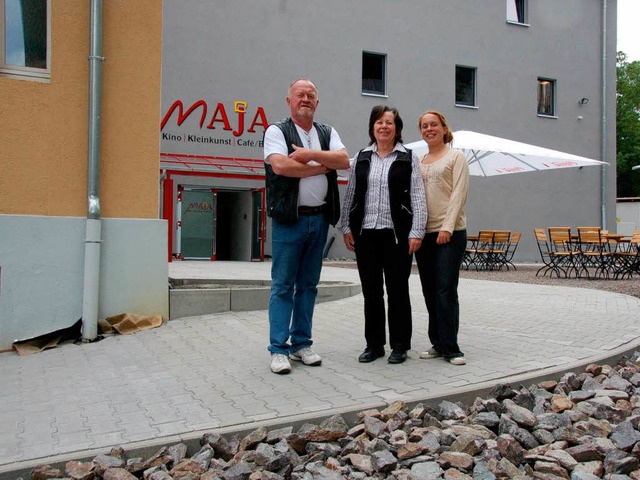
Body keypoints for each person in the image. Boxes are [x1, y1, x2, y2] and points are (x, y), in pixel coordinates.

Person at [263, 78, 349, 374]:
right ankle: (278, 348)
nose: (306, 98)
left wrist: (310, 155)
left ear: (317, 102)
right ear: (289, 101)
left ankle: (301, 344)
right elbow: (280, 166)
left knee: (309, 286)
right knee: (283, 285)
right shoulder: (277, 131)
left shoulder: (327, 131)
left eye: (311, 95)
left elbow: (343, 160)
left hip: (320, 218)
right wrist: (323, 167)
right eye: (300, 94)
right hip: (290, 220)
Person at [341, 105, 427, 364]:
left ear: (397, 128)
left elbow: (417, 195)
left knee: (398, 290)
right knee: (371, 292)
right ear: (372, 127)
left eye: (389, 122)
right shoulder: (362, 157)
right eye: (379, 122)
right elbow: (352, 193)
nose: (384, 126)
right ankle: (374, 345)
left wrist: (417, 231)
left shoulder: (408, 157)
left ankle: (400, 345)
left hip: (396, 235)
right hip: (366, 233)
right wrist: (346, 226)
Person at [415, 110, 469, 365]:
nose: (429, 129)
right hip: (424, 234)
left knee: (445, 289)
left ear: (443, 128)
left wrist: (447, 228)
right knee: (429, 290)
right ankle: (437, 342)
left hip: (450, 233)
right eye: (424, 126)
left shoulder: (456, 157)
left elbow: (458, 194)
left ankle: (451, 347)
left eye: (433, 124)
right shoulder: (420, 160)